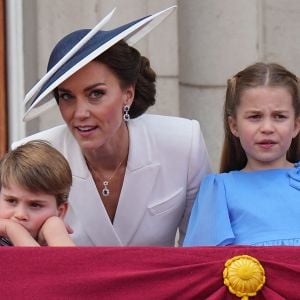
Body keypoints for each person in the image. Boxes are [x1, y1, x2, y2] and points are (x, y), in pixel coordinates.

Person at [12, 7, 211, 246]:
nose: (80, 113)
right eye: (66, 97)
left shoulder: (182, 143)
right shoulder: (33, 156)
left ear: (128, 94)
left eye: (95, 94)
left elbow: (203, 247)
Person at [183, 62, 300, 246]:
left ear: (295, 126)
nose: (267, 128)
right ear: (234, 126)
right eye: (255, 117)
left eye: (279, 116)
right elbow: (202, 265)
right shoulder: (218, 191)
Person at [0, 140, 75, 246]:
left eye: (35, 205)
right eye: (11, 201)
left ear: (60, 212)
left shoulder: (55, 235)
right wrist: (13, 230)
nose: (20, 214)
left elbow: (71, 262)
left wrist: (56, 232)